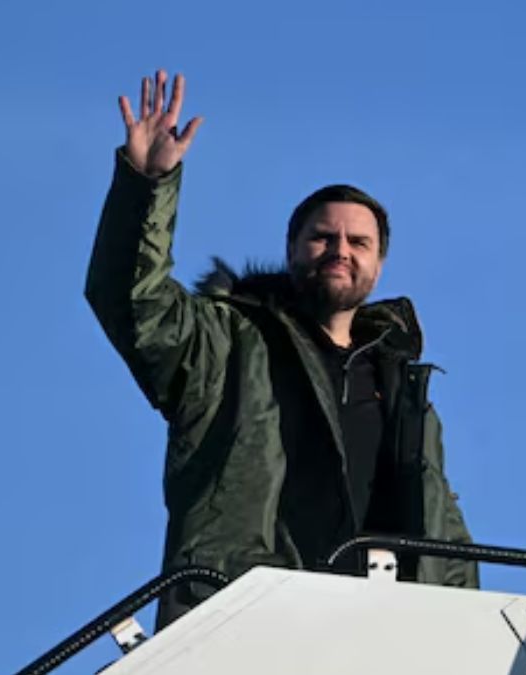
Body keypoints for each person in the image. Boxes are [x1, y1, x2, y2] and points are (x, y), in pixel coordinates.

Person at [85, 70, 478, 628]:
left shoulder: (404, 389)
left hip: (393, 631)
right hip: (249, 618)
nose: (339, 250)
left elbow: (447, 533)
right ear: (292, 249)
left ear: (379, 264)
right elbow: (130, 301)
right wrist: (146, 188)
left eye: (358, 242)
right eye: (322, 237)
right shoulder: (224, 343)